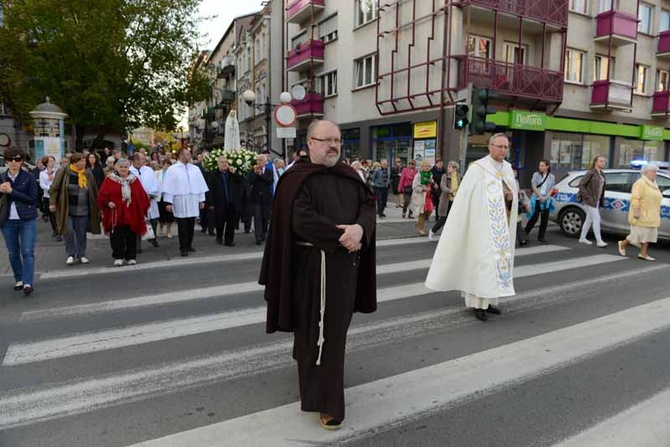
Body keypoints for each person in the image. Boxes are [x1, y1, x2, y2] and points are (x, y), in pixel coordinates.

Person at [259, 119, 376, 430]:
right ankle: (326, 402)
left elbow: (368, 205)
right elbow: (300, 218)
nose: (333, 146)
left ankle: (323, 387)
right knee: (313, 330)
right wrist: (342, 236)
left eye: (337, 140)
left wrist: (360, 229)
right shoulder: (295, 178)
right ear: (310, 142)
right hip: (309, 266)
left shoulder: (350, 176)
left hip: (343, 269)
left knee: (332, 333)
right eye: (326, 140)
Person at [425, 133, 518, 321]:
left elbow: (512, 195)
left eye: (505, 147)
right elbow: (466, 199)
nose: (502, 150)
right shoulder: (478, 169)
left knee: (495, 266)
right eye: (499, 146)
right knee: (481, 265)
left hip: (501, 228)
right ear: (490, 147)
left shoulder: (507, 168)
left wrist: (510, 197)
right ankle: (477, 304)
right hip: (481, 227)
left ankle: (490, 300)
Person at [49, 152, 101, 265]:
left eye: (84, 161)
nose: (84, 163)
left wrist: (98, 206)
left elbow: (94, 190)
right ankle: (71, 254)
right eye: (81, 161)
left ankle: (81, 254)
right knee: (68, 231)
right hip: (67, 209)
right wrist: (52, 203)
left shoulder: (88, 174)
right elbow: (54, 188)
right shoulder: (64, 172)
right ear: (74, 162)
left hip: (83, 209)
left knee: (81, 233)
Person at [97, 158, 150, 266]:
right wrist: (108, 203)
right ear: (116, 167)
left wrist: (142, 210)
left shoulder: (134, 180)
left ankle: (131, 256)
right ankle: (118, 256)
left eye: (125, 167)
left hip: (131, 213)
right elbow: (101, 196)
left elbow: (142, 196)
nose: (123, 169)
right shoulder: (110, 179)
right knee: (116, 236)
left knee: (131, 235)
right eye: (121, 167)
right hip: (115, 213)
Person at [1, 147, 38, 295]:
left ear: (22, 161)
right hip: (7, 220)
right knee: (12, 252)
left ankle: (28, 282)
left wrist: (12, 192)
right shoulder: (2, 177)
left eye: (17, 159)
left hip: (27, 219)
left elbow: (33, 199)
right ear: (6, 161)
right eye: (10, 159)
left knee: (27, 251)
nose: (14, 162)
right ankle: (19, 278)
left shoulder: (28, 177)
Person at [161, 148, 208, 256]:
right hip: (180, 200)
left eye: (190, 154)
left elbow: (200, 185)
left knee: (191, 224)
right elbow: (168, 186)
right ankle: (183, 247)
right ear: (181, 155)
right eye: (187, 154)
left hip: (192, 199)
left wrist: (202, 199)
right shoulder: (173, 170)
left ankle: (189, 244)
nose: (190, 156)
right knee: (182, 225)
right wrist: (168, 202)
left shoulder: (195, 169)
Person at [617, 163, 663, 261]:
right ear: (647, 172)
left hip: (652, 214)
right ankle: (622, 244)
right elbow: (635, 198)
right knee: (637, 234)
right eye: (653, 172)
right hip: (642, 213)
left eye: (656, 172)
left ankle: (643, 253)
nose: (656, 174)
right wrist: (636, 211)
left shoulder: (654, 184)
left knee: (648, 235)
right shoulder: (640, 183)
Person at [206, 155, 245, 246]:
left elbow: (241, 181)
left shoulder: (231, 173)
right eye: (222, 162)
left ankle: (229, 240)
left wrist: (234, 173)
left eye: (226, 162)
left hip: (231, 202)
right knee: (220, 222)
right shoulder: (213, 174)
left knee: (231, 223)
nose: (224, 164)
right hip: (219, 202)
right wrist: (210, 203)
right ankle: (219, 236)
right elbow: (209, 190)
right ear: (218, 164)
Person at [130, 152, 160, 249]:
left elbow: (155, 184)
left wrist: (150, 194)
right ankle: (138, 245)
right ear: (136, 160)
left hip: (150, 199)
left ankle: (153, 237)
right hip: (136, 202)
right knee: (138, 222)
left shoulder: (149, 170)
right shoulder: (129, 171)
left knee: (154, 220)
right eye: (142, 159)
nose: (145, 160)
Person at [578, 155, 608, 247]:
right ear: (596, 162)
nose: (603, 163)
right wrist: (587, 197)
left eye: (604, 161)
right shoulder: (590, 173)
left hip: (597, 200)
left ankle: (582, 238)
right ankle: (599, 241)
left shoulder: (602, 174)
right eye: (601, 161)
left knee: (589, 219)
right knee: (596, 219)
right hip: (590, 200)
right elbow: (581, 185)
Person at [524, 159, 555, 244]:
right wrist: (540, 196)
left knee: (544, 219)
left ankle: (541, 237)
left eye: (542, 166)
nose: (540, 167)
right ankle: (525, 234)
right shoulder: (536, 175)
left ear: (547, 166)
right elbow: (534, 186)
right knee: (534, 217)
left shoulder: (551, 176)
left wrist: (546, 197)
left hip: (546, 200)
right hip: (537, 198)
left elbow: (552, 188)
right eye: (539, 166)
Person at [247, 153, 274, 245]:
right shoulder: (252, 171)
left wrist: (261, 174)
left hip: (266, 198)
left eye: (261, 160)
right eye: (258, 160)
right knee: (257, 218)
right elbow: (250, 181)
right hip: (256, 198)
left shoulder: (269, 171)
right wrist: (255, 173)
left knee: (265, 218)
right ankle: (257, 237)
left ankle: (263, 234)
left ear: (265, 162)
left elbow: (270, 181)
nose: (259, 162)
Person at [429, 160, 459, 240]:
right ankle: (432, 231)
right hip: (446, 200)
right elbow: (442, 186)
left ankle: (449, 235)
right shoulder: (445, 176)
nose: (448, 168)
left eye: (450, 167)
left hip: (456, 200)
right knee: (443, 219)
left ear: (455, 168)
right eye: (448, 166)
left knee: (453, 219)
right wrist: (450, 190)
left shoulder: (458, 176)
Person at [39, 156, 62, 241]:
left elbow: (59, 182)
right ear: (46, 163)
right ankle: (55, 230)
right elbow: (42, 184)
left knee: (58, 213)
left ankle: (60, 230)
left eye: (53, 161)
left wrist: (54, 189)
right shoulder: (42, 173)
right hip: (47, 195)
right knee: (51, 214)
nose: (52, 163)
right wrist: (50, 188)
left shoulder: (57, 171)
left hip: (57, 196)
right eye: (50, 161)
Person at [411, 160, 434, 236]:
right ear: (422, 167)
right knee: (422, 213)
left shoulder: (430, 175)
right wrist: (423, 189)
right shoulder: (418, 175)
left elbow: (432, 184)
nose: (427, 167)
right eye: (425, 166)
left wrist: (434, 184)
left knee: (430, 211)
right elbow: (414, 187)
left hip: (429, 197)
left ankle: (419, 223)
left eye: (428, 166)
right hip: (421, 197)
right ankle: (421, 229)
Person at [156, 158, 174, 238]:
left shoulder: (173, 174)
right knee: (160, 214)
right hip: (160, 197)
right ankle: (160, 226)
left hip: (169, 197)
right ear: (163, 165)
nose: (167, 166)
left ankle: (169, 230)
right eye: (166, 164)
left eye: (169, 165)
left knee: (169, 215)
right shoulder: (157, 173)